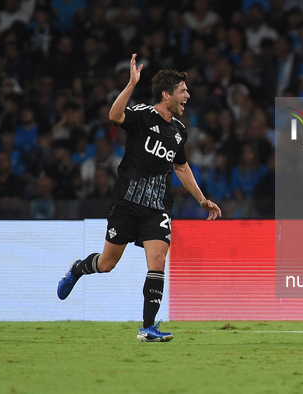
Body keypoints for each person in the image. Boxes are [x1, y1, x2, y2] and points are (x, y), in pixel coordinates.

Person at [57, 54, 221, 342]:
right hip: (127, 203)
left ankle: (147, 327)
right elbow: (114, 116)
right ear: (166, 94)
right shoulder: (142, 115)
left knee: (157, 260)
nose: (188, 96)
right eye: (183, 91)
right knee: (107, 263)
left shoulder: (179, 132)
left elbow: (181, 167)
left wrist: (201, 199)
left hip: (158, 208)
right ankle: (78, 269)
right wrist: (132, 84)